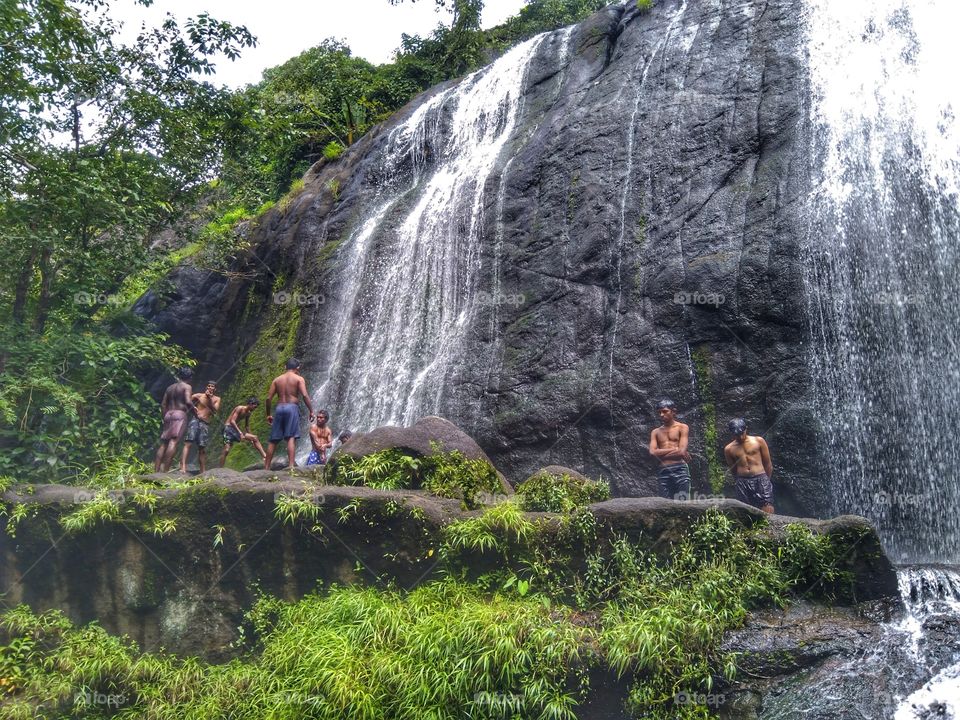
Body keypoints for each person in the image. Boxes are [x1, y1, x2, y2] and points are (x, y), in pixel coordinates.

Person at [264, 358, 315, 470]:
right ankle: (291, 466)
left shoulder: (277, 380)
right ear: (297, 368)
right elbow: (305, 395)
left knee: (273, 440)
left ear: (285, 367)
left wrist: (268, 414)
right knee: (291, 437)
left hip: (279, 408)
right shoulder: (299, 379)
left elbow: (268, 399)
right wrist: (311, 411)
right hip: (291, 408)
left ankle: (266, 468)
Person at [724, 418, 774, 513]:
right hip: (742, 481)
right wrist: (739, 481)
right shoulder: (729, 449)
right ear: (732, 433)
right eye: (737, 435)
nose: (741, 437)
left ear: (746, 429)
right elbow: (733, 469)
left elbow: (768, 464)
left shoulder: (758, 441)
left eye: (742, 433)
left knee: (767, 504)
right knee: (744, 509)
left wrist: (766, 481)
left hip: (761, 478)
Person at [648, 398, 691, 500]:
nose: (662, 415)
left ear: (673, 411)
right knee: (665, 504)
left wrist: (660, 454)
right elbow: (652, 452)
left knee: (683, 502)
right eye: (659, 412)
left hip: (680, 469)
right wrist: (676, 449)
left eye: (665, 411)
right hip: (663, 470)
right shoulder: (655, 432)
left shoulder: (682, 427)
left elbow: (681, 452)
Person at [154, 367, 193, 472]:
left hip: (168, 414)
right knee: (173, 442)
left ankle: (156, 471)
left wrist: (164, 417)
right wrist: (195, 411)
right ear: (189, 377)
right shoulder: (187, 386)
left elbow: (163, 404)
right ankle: (165, 472)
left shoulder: (170, 388)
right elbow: (188, 402)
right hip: (179, 414)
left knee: (164, 443)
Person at [180, 380, 221, 474]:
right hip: (195, 420)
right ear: (206, 387)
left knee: (202, 448)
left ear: (215, 389)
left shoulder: (217, 399)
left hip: (205, 423)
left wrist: (210, 399)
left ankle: (203, 470)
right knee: (188, 443)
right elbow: (187, 401)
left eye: (212, 386)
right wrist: (191, 408)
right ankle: (183, 466)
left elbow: (215, 410)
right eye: (209, 386)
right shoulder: (199, 395)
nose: (210, 388)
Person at [220, 397, 266, 466]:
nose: (254, 409)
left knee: (255, 438)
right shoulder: (239, 408)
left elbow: (247, 426)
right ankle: (220, 469)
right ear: (250, 404)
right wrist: (240, 432)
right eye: (254, 406)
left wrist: (251, 440)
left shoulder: (248, 413)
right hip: (227, 429)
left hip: (235, 430)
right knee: (226, 450)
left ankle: (265, 457)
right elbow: (232, 421)